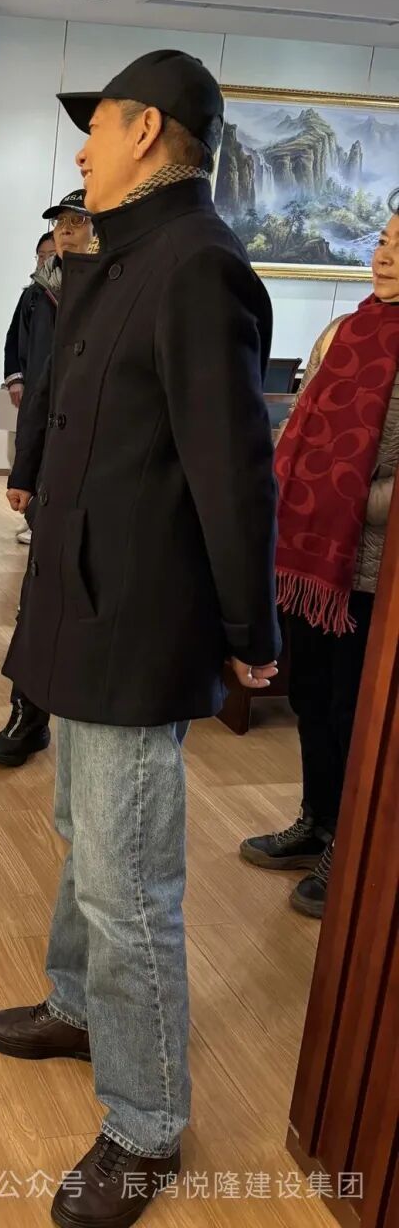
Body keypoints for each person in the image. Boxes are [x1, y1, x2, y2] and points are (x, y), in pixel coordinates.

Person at [0, 50, 280, 1228]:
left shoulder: (199, 266)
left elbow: (232, 469)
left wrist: (251, 628)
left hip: (137, 623)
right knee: (81, 835)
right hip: (80, 601)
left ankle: (147, 1124)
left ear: (148, 130)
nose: (84, 148)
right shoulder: (121, 253)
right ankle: (77, 1004)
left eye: (97, 127)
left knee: (129, 879)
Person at [241, 197, 399, 918]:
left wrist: (348, 498)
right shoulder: (349, 328)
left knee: (353, 709)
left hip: (371, 569)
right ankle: (317, 821)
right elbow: (303, 420)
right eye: (384, 240)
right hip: (309, 555)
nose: (384, 254)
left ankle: (351, 847)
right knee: (308, 692)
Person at [0, 192, 92, 768]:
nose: (67, 233)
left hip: (105, 470)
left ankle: (81, 719)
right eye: (62, 225)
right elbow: (41, 384)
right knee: (39, 593)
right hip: (53, 461)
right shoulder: (42, 294)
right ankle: (27, 714)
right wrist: (23, 469)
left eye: (79, 223)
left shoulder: (119, 290)